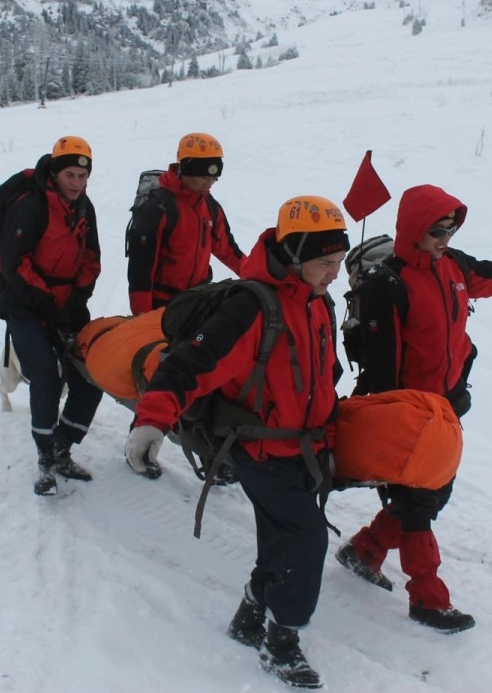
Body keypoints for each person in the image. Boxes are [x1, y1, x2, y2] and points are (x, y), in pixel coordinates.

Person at [125, 195, 349, 690]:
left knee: (281, 534)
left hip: (303, 449)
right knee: (307, 536)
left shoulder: (318, 302)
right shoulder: (251, 306)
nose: (336, 273)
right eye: (325, 263)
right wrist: (151, 421)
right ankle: (281, 641)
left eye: (340, 262)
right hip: (257, 448)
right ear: (294, 256)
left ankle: (250, 612)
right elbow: (189, 365)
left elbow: (322, 375)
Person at [335, 183, 492, 634]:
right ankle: (427, 598)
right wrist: (396, 426)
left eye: (451, 228)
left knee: (433, 493)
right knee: (418, 502)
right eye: (436, 229)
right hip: (411, 412)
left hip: (447, 406)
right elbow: (383, 367)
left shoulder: (455, 267)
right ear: (413, 229)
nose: (445, 237)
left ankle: (366, 550)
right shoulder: (386, 286)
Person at [125, 131, 246, 478]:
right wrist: (143, 319)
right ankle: (141, 442)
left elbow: (228, 250)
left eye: (215, 173)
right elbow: (140, 269)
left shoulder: (209, 206)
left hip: (198, 302)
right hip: (162, 308)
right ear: (184, 168)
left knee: (207, 375)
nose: (210, 180)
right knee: (160, 377)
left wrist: (261, 280)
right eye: (204, 172)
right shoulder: (158, 207)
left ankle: (211, 456)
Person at [0, 136, 103, 496]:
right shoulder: (32, 206)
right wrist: (45, 300)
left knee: (91, 373)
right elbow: (12, 263)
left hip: (67, 303)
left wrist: (76, 297)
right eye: (70, 174)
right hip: (26, 305)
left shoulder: (84, 207)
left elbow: (92, 258)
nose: (76, 182)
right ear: (55, 173)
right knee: (46, 376)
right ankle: (45, 456)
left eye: (82, 175)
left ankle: (63, 445)